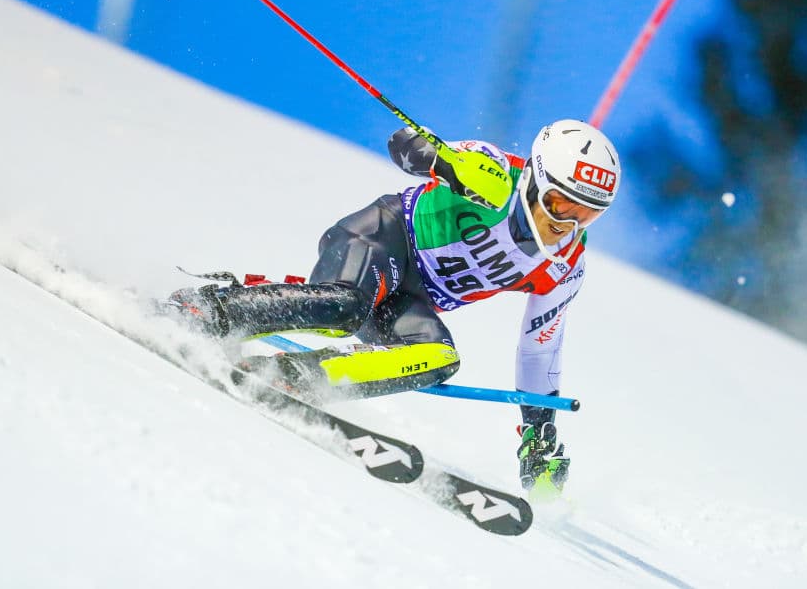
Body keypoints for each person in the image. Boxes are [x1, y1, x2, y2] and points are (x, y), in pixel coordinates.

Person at [170, 118, 620, 498]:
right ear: (537, 182)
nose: (569, 225)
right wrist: (443, 162)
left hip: (411, 299)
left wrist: (539, 436)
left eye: (588, 215)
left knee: (439, 357)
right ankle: (211, 312)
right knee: (344, 308)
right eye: (562, 204)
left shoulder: (565, 265)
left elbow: (539, 351)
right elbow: (402, 144)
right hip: (380, 238)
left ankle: (293, 377)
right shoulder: (496, 173)